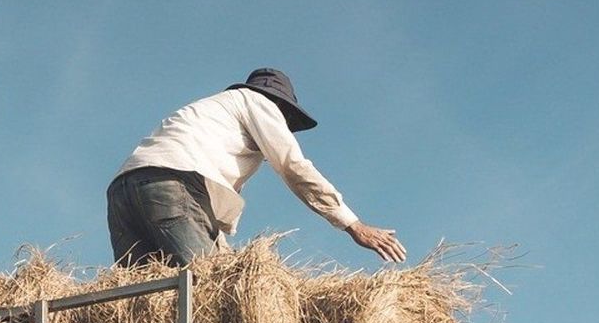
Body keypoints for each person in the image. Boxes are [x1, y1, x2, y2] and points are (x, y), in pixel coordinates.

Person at [107, 67, 406, 267]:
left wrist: (227, 257)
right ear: (281, 107)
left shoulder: (213, 122)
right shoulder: (259, 103)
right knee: (209, 295)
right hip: (172, 185)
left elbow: (204, 213)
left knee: (139, 301)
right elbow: (294, 167)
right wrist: (353, 225)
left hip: (122, 193)